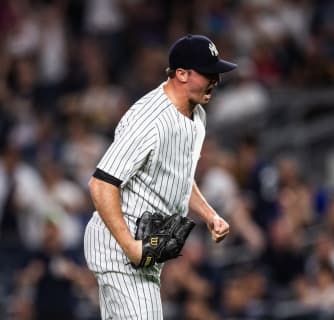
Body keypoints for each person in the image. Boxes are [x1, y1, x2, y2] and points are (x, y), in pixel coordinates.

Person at [83, 34, 236, 319]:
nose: (216, 80)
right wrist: (130, 247)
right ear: (181, 73)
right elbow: (101, 184)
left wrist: (209, 215)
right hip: (120, 249)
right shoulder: (150, 119)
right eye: (208, 73)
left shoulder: (197, 114)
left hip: (147, 249)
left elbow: (179, 174)